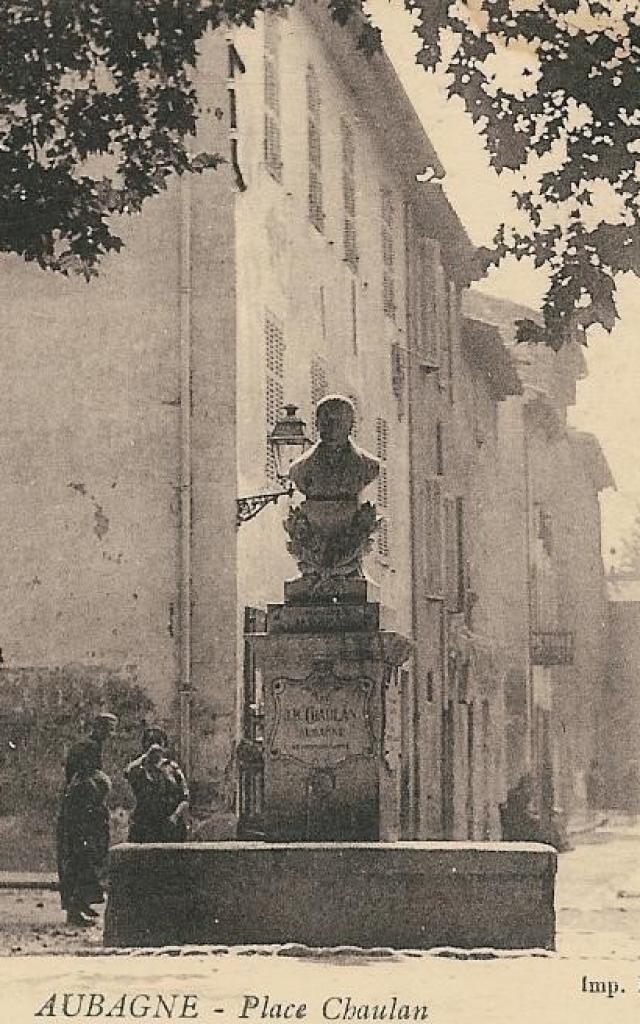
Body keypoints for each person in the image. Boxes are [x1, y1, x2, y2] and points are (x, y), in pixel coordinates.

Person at [57, 742, 112, 926]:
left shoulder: (83, 781)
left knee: (86, 871)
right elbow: (81, 813)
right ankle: (74, 913)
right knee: (78, 871)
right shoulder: (81, 784)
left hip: (84, 834)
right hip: (80, 835)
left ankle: (81, 905)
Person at [124, 727, 190, 843]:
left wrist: (175, 816)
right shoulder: (140, 768)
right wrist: (146, 756)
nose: (155, 747)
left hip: (169, 824)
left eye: (158, 742)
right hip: (145, 826)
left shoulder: (172, 768)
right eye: (150, 743)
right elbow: (127, 773)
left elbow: (185, 797)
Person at [64, 712, 118, 784]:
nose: (108, 735)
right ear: (99, 728)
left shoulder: (90, 743)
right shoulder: (91, 745)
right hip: (81, 783)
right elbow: (88, 771)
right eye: (107, 730)